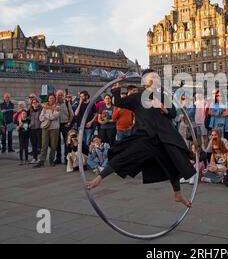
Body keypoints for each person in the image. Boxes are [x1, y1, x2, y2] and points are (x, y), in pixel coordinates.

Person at [86, 70, 196, 208]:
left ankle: (177, 194)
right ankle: (99, 178)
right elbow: (119, 101)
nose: (156, 80)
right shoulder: (137, 97)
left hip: (163, 136)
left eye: (157, 77)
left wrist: (162, 107)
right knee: (125, 156)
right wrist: (119, 84)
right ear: (145, 82)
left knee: (172, 163)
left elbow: (173, 113)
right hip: (144, 136)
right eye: (153, 78)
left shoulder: (162, 97)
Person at [34, 94, 60, 168]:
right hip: (45, 128)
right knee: (44, 145)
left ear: (55, 99)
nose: (51, 99)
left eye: (53, 98)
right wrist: (47, 116)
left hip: (54, 128)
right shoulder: (45, 107)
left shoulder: (57, 107)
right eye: (50, 98)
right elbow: (40, 117)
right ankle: (42, 161)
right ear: (48, 99)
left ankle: (51, 160)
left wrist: (46, 116)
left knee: (53, 145)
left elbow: (55, 116)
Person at [55, 89, 74, 164]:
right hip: (56, 124)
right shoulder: (54, 103)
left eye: (61, 95)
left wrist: (69, 122)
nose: (60, 96)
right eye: (58, 95)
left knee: (67, 142)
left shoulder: (66, 103)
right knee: (57, 142)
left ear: (63, 95)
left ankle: (67, 158)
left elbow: (72, 114)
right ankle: (58, 158)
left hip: (65, 124)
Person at [29, 98, 42, 164]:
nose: (34, 103)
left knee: (39, 144)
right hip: (32, 129)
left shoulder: (41, 109)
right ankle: (34, 158)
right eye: (33, 102)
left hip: (39, 129)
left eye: (36, 102)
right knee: (33, 144)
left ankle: (39, 158)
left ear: (38, 103)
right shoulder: (30, 110)